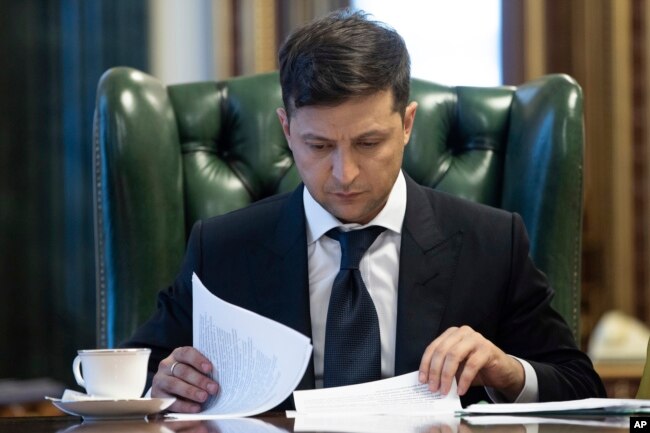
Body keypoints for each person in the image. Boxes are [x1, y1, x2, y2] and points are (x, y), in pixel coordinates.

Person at [122, 9, 606, 413]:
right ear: (287, 130)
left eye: (369, 142)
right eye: (318, 144)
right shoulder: (222, 248)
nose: (345, 173)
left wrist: (509, 371)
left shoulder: (492, 242)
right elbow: (140, 371)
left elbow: (583, 388)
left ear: (408, 124)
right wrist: (162, 387)